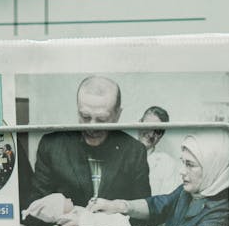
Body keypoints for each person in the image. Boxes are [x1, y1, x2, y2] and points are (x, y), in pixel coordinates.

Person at [24, 76, 151, 217]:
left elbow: (143, 214)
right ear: (78, 109)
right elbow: (34, 210)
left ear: (117, 115)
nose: (92, 127)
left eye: (101, 119)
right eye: (85, 117)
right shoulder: (52, 146)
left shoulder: (135, 151)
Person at [88, 129, 229, 226]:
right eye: (183, 162)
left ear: (214, 167)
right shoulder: (190, 191)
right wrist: (117, 206)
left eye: (190, 165)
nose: (182, 171)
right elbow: (158, 205)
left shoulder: (222, 215)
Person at [138, 107, 179, 194]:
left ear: (161, 135)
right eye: (147, 127)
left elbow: (168, 200)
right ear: (139, 124)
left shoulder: (168, 164)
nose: (151, 135)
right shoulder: (120, 153)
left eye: (157, 131)